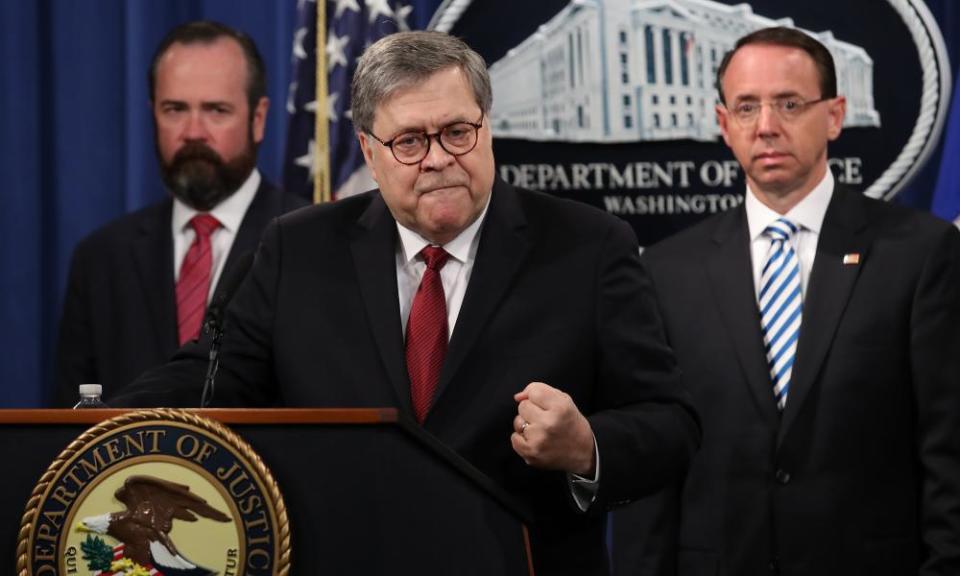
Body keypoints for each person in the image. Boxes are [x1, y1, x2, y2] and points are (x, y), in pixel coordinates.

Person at [113, 30, 700, 574]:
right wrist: (92, 430)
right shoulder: (300, 248)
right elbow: (210, 378)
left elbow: (670, 423)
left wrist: (586, 447)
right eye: (410, 141)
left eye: (456, 132)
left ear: (486, 127)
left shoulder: (588, 246)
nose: (439, 158)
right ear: (369, 153)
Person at [611, 27, 960, 575]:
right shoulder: (666, 271)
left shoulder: (919, 254)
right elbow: (656, 465)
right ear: (724, 124)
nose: (767, 127)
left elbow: (949, 449)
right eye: (747, 107)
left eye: (790, 104)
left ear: (835, 114)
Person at [55, 21, 308, 406]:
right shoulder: (101, 258)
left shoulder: (310, 243)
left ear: (258, 119)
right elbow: (68, 431)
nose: (193, 131)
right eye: (175, 109)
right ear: (153, 114)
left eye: (216, 110)